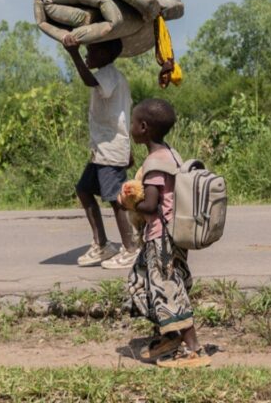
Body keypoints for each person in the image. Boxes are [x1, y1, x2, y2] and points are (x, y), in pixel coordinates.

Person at [120, 98, 210, 368]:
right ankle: (170, 335)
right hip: (172, 236)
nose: (131, 128)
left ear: (144, 127)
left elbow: (150, 205)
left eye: (133, 123)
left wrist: (127, 199)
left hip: (162, 237)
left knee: (168, 289)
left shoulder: (154, 163)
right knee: (140, 279)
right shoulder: (170, 153)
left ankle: (193, 349)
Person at [63, 35, 138, 269]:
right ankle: (102, 244)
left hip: (110, 149)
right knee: (84, 189)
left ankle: (131, 249)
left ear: (105, 55)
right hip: (103, 149)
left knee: (117, 199)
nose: (87, 54)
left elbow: (88, 80)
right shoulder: (111, 76)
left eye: (91, 50)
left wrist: (73, 53)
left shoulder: (108, 74)